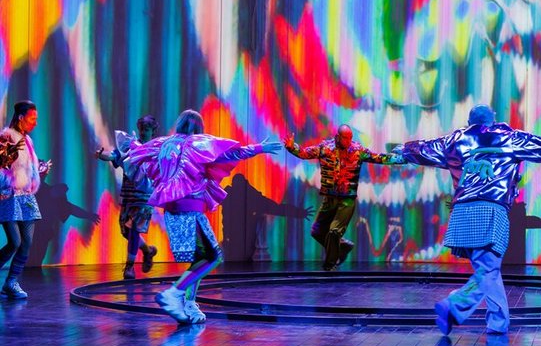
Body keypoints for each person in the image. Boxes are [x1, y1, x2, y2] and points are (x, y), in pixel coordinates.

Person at [400, 104, 541, 335]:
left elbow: (426, 148)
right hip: (490, 209)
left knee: (487, 269)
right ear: (493, 118)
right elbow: (538, 146)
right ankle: (459, 308)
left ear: (469, 121)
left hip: (462, 212)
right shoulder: (508, 137)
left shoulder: (453, 140)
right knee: (488, 269)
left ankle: (475, 316)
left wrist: (404, 150)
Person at [125, 109, 282, 324]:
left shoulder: (163, 144)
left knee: (201, 258)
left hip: (174, 209)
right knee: (212, 257)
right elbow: (230, 154)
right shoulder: (198, 144)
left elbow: (138, 150)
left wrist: (131, 143)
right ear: (199, 128)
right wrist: (259, 148)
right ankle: (174, 293)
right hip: (189, 208)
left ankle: (189, 302)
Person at [285, 124, 405, 270]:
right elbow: (305, 153)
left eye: (350, 138)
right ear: (338, 137)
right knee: (317, 232)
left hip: (347, 200)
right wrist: (292, 147)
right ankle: (343, 247)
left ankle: (330, 265)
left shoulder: (357, 150)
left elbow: (378, 158)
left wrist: (400, 159)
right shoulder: (325, 148)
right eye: (345, 138)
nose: (348, 141)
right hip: (330, 198)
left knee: (334, 231)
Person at [95, 115, 159, 279]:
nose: (143, 132)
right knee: (126, 231)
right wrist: (102, 156)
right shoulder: (131, 146)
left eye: (146, 129)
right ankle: (147, 251)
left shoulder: (156, 149)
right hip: (128, 195)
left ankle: (129, 267)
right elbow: (114, 155)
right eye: (141, 129)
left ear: (153, 131)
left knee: (134, 229)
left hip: (144, 197)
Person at [0, 101, 52, 299]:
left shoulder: (27, 140)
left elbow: (26, 169)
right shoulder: (7, 137)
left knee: (26, 243)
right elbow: (3, 167)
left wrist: (39, 171)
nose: (35, 123)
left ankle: (11, 282)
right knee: (14, 242)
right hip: (10, 195)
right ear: (21, 117)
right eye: (32, 118)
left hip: (27, 196)